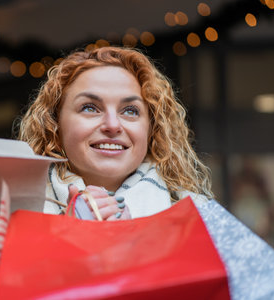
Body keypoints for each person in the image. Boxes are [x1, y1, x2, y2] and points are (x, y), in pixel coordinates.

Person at [17, 46, 213, 220]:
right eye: (90, 108)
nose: (112, 125)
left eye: (130, 111)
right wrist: (66, 234)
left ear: (152, 130)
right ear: (54, 124)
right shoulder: (12, 215)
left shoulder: (201, 217)